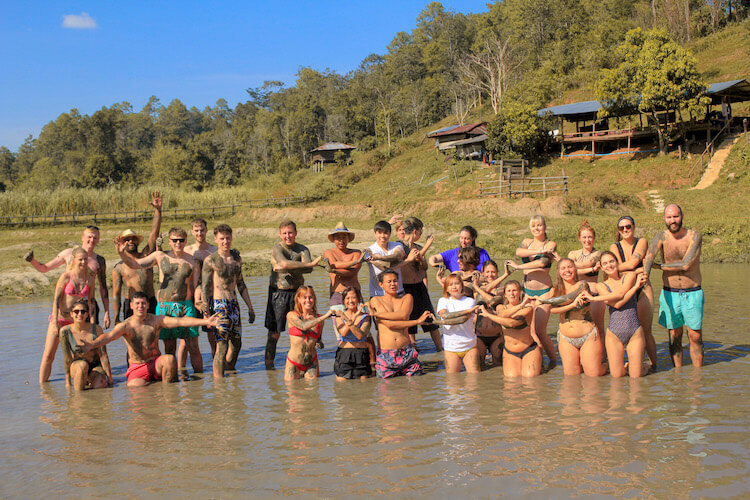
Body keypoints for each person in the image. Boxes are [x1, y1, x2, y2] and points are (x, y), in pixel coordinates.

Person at [78, 292, 219, 387]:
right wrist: (91, 344)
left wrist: (206, 322)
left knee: (169, 359)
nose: (141, 306)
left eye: (143, 303)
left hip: (156, 364)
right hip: (137, 366)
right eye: (137, 303)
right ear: (131, 305)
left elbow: (180, 321)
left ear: (148, 305)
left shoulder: (156, 320)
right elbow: (109, 336)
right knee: (136, 392)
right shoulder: (126, 326)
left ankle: (168, 398)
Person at [115, 227, 202, 378]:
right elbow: (136, 264)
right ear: (169, 241)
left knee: (193, 345)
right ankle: (172, 378)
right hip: (165, 307)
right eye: (174, 240)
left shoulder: (192, 261)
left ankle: (200, 384)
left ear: (186, 241)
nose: (178, 243)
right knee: (169, 346)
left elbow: (196, 286)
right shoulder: (159, 256)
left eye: (181, 240)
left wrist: (199, 301)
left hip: (186, 305)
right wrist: (121, 253)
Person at [643, 204, 704, 367]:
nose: (672, 220)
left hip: (693, 292)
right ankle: (678, 374)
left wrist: (659, 266)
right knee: (674, 336)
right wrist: (645, 275)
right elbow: (649, 257)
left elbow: (686, 265)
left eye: (675, 216)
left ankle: (698, 375)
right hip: (670, 293)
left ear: (682, 216)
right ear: (664, 219)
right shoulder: (660, 236)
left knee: (695, 336)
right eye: (669, 217)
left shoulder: (694, 236)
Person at [24, 225, 110, 328]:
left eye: (95, 238)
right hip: (68, 307)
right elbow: (45, 268)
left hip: (87, 307)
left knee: (91, 341)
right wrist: (32, 261)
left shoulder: (99, 260)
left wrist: (107, 312)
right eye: (89, 237)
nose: (92, 240)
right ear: (82, 237)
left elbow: (103, 287)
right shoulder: (68, 253)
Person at [265, 220, 323, 370]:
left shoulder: (303, 249)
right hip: (278, 293)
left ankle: (305, 361)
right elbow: (286, 264)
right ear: (280, 234)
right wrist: (308, 264)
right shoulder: (277, 248)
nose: (287, 236)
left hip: (298, 293)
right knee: (275, 333)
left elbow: (306, 270)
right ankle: (269, 366)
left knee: (305, 328)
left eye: (290, 232)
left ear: (296, 233)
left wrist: (290, 266)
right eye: (284, 233)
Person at [201, 224, 255, 378]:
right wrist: (206, 313)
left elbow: (241, 284)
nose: (225, 241)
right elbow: (205, 287)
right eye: (222, 238)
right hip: (219, 306)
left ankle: (229, 371)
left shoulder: (236, 258)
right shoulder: (210, 260)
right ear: (216, 239)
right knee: (222, 346)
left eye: (228, 238)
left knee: (237, 344)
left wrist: (250, 308)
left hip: (234, 305)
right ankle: (219, 383)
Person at [536, 258, 607, 377]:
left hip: (587, 335)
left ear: (575, 269)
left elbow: (567, 298)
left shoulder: (582, 285)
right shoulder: (555, 290)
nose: (567, 270)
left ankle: (606, 366)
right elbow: (553, 310)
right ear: (558, 272)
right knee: (571, 377)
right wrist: (571, 305)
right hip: (566, 338)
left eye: (570, 267)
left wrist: (543, 300)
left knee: (593, 374)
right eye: (563, 268)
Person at [39, 247, 96, 384]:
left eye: (85, 259)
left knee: (78, 356)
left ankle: (78, 383)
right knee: (48, 355)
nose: (83, 262)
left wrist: (92, 323)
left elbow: (92, 301)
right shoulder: (66, 276)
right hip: (60, 319)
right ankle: (42, 387)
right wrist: (54, 323)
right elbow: (56, 300)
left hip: (76, 323)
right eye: (80, 259)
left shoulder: (90, 278)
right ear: (74, 260)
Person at [507, 215, 557, 368]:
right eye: (534, 226)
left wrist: (519, 267)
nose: (536, 228)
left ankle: (554, 361)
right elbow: (519, 252)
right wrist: (540, 249)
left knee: (540, 330)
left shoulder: (551, 244)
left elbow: (542, 263)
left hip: (544, 291)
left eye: (539, 225)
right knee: (531, 331)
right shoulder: (527, 242)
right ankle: (538, 361)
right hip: (527, 291)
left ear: (544, 227)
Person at [587, 252, 648, 377]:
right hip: (614, 333)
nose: (609, 265)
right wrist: (635, 287)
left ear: (617, 262)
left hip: (634, 330)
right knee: (617, 378)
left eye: (611, 261)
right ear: (602, 268)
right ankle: (628, 366)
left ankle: (644, 367)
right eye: (605, 263)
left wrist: (593, 299)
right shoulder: (601, 286)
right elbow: (616, 304)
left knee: (636, 377)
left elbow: (620, 296)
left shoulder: (630, 276)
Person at [609, 215, 658, 370]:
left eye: (628, 226)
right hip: (625, 289)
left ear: (634, 227)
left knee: (646, 330)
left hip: (642, 288)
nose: (625, 230)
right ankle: (634, 362)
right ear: (618, 230)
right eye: (621, 228)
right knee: (627, 329)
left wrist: (624, 266)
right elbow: (616, 268)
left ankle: (653, 365)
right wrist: (638, 270)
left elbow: (633, 261)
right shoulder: (614, 247)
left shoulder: (641, 241)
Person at [369, 270, 432, 378]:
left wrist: (378, 314)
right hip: (386, 354)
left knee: (416, 388)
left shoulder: (407, 298)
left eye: (395, 281)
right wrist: (417, 321)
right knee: (387, 390)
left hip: (406, 351)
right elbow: (390, 325)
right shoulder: (375, 300)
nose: (393, 284)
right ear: (381, 284)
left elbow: (403, 315)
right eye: (389, 281)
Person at [112, 192, 163, 323]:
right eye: (127, 240)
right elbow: (116, 294)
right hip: (131, 303)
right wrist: (116, 317)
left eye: (133, 239)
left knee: (152, 337)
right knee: (132, 338)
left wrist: (158, 210)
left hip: (150, 301)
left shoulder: (146, 255)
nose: (130, 242)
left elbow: (154, 233)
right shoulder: (119, 267)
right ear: (122, 243)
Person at [478, 281, 541, 377]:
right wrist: (521, 305)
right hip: (510, 351)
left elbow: (512, 323)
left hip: (529, 349)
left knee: (530, 379)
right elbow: (503, 314)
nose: (512, 293)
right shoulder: (501, 307)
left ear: (520, 292)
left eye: (515, 290)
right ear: (505, 294)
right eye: (509, 291)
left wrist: (488, 315)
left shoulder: (528, 308)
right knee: (512, 382)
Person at [398, 217, 442, 350]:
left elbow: (423, 267)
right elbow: (411, 260)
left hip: (419, 286)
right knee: (410, 322)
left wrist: (423, 258)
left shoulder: (418, 247)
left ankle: (440, 349)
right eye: (420, 232)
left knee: (430, 319)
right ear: (415, 232)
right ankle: (413, 350)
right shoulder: (400, 246)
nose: (421, 235)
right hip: (406, 288)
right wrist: (428, 245)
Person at [59, 299, 112, 390]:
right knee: (82, 366)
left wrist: (110, 380)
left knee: (100, 385)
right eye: (76, 311)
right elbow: (67, 358)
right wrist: (68, 383)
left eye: (83, 311)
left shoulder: (97, 329)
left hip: (95, 366)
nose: (80, 314)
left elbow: (103, 356)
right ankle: (78, 397)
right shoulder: (65, 331)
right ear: (71, 314)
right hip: (78, 366)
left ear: (87, 314)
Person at [284, 286, 334, 381]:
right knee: (291, 390)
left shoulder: (319, 320)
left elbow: (319, 340)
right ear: (298, 299)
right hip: (294, 362)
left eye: (311, 297)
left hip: (312, 363)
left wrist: (319, 343)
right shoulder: (292, 315)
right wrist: (325, 316)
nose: (308, 300)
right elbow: (303, 326)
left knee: (313, 392)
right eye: (304, 297)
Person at [185, 217, 219, 355]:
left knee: (213, 337)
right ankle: (184, 371)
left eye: (202, 230)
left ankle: (217, 371)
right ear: (192, 232)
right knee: (188, 340)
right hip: (190, 299)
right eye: (196, 230)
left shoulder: (214, 250)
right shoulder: (186, 250)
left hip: (210, 297)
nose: (200, 233)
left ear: (206, 231)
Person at [436, 273, 481, 374]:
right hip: (451, 347)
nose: (454, 286)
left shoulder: (469, 301)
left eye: (457, 283)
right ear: (446, 288)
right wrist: (467, 312)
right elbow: (445, 316)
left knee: (474, 380)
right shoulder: (443, 301)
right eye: (450, 284)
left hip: (469, 345)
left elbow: (463, 319)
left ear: (462, 286)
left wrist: (450, 316)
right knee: (452, 382)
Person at [568, 220, 605, 344]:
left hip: (595, 294)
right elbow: (569, 272)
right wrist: (592, 269)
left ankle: (603, 359)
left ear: (594, 238)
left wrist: (575, 266)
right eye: (584, 237)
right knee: (579, 329)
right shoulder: (573, 253)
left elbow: (581, 265)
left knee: (598, 328)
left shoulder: (598, 254)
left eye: (590, 237)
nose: (587, 240)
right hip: (577, 296)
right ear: (579, 238)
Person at [472, 260, 511, 365]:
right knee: (479, 366)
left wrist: (505, 276)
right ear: (483, 273)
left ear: (497, 273)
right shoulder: (478, 289)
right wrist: (505, 275)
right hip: (480, 335)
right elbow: (485, 290)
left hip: (497, 335)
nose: (490, 275)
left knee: (498, 365)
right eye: (487, 272)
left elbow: (492, 301)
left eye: (493, 272)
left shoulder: (502, 290)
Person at [333, 287, 373, 380]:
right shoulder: (339, 316)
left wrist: (350, 318)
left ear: (359, 299)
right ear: (343, 300)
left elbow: (360, 336)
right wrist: (352, 317)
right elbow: (343, 333)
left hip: (361, 355)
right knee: (342, 388)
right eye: (347, 298)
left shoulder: (365, 317)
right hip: (344, 354)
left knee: (363, 389)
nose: (350, 301)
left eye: (353, 298)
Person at [366, 220, 411, 299]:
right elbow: (386, 268)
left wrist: (380, 257)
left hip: (398, 292)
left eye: (385, 233)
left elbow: (397, 255)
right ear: (375, 233)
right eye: (379, 233)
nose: (382, 236)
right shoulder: (370, 251)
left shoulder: (397, 245)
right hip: (378, 295)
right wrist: (408, 261)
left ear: (390, 234)